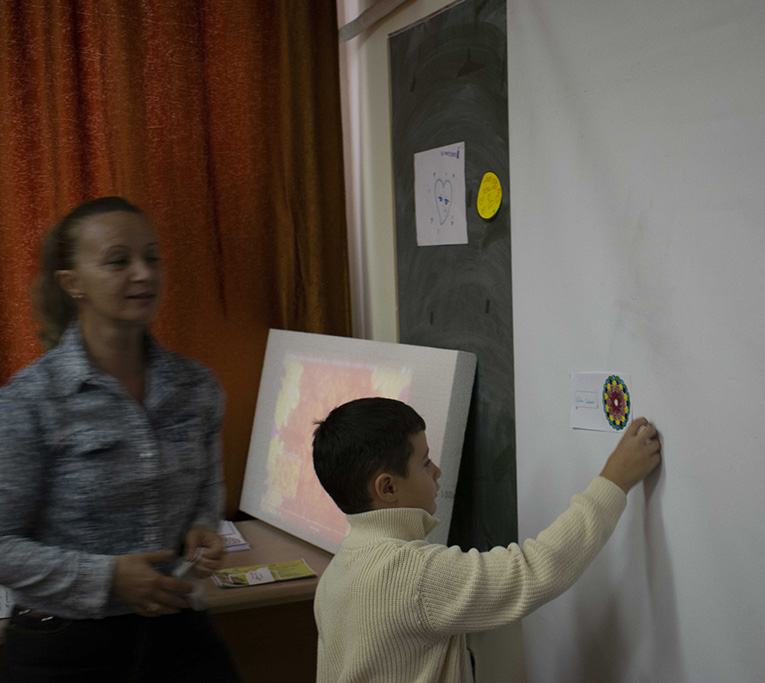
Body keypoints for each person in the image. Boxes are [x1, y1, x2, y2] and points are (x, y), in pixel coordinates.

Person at [0, 197, 239, 682]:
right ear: (72, 283)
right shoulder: (31, 400)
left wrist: (202, 529)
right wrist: (107, 577)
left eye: (152, 257)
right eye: (118, 261)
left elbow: (205, 494)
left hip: (176, 628)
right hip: (63, 644)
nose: (143, 274)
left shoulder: (196, 387)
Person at [311, 397, 661, 683]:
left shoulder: (336, 574)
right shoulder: (412, 575)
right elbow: (534, 570)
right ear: (388, 487)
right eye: (425, 462)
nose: (437, 471)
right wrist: (614, 480)